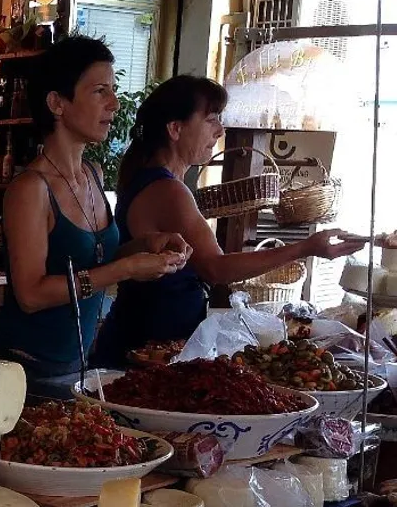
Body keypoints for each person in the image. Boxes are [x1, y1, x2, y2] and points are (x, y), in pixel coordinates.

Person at [93, 75, 361, 367]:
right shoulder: (168, 190)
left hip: (144, 344)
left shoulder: (153, 180)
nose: (220, 131)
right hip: (144, 353)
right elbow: (216, 268)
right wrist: (304, 248)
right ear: (175, 128)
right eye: (211, 119)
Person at [0, 36, 188, 396]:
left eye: (114, 90)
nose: (115, 103)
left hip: (75, 364)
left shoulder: (93, 173)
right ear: (57, 103)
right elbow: (31, 294)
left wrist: (146, 246)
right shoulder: (31, 188)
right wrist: (125, 270)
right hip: (21, 369)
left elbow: (94, 259)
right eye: (99, 91)